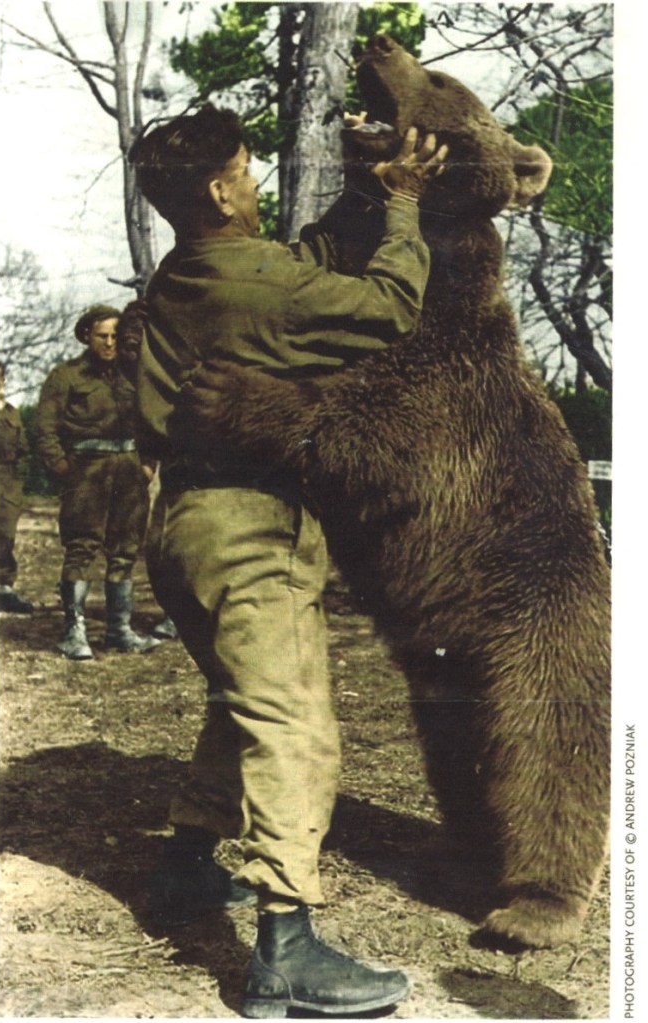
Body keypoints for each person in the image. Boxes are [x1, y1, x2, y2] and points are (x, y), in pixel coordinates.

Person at [130, 102, 445, 1017]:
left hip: (181, 527)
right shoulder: (257, 281)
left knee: (241, 701)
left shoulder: (187, 270)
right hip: (247, 527)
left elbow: (296, 270)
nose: (258, 182)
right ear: (223, 190)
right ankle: (285, 946)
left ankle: (188, 863)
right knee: (293, 725)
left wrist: (363, 187)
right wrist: (402, 209)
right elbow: (387, 305)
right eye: (249, 169)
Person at [35, 305, 161, 660]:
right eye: (102, 336)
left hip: (130, 471)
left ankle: (119, 629)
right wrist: (62, 468)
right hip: (87, 472)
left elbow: (152, 421)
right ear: (86, 336)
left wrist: (148, 463)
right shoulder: (66, 376)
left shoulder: (133, 376)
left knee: (125, 550)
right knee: (82, 547)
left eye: (115, 337)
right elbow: (45, 430)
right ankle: (73, 631)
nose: (109, 343)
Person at [0, 362, 35, 615]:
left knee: (5, 534)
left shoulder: (11, 413)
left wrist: (16, 485)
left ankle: (2, 588)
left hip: (6, 482)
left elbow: (23, 452)